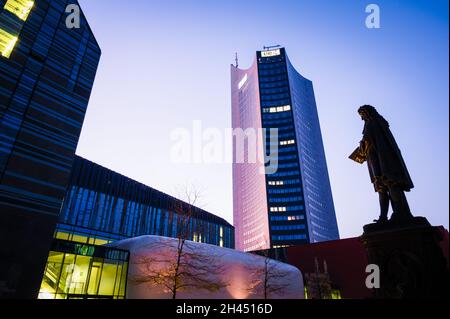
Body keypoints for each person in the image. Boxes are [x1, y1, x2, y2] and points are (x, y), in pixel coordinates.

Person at [357, 105, 414, 223]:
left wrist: (363, 144)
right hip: (375, 163)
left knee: (391, 185)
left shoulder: (374, 122)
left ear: (367, 112)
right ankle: (383, 217)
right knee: (381, 188)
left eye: (362, 115)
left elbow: (374, 141)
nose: (362, 119)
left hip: (384, 162)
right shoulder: (373, 123)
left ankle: (401, 213)